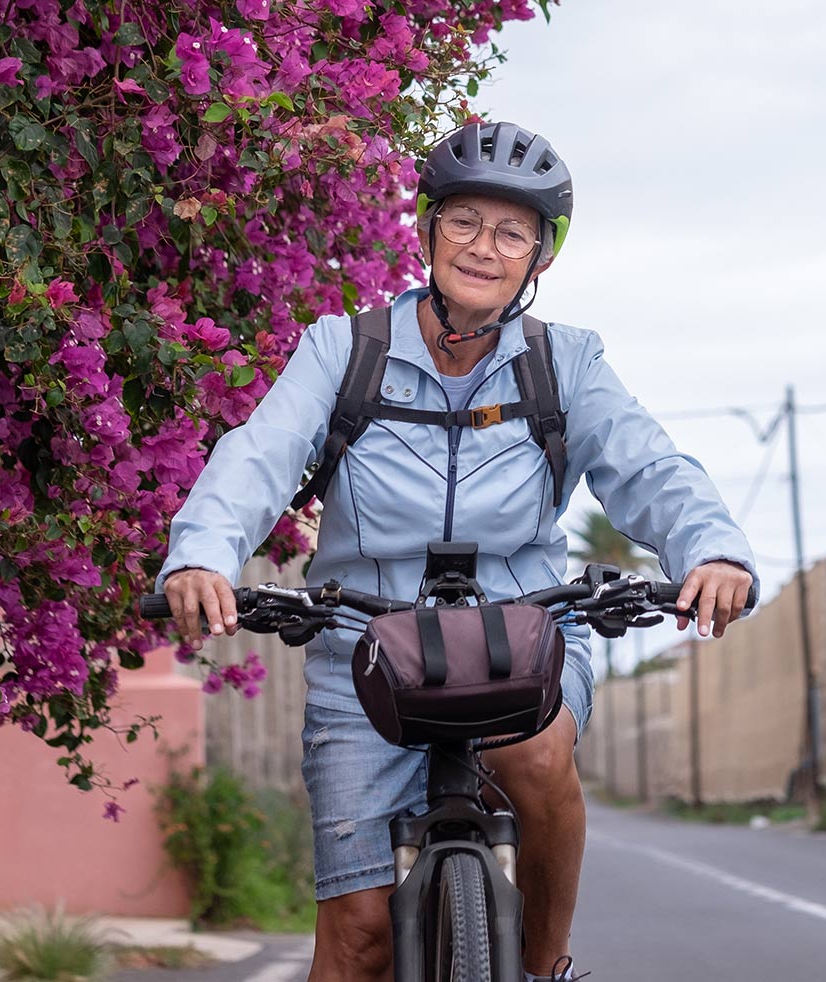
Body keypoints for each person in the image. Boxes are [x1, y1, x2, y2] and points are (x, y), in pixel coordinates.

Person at [156, 121, 757, 982]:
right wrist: (203, 555)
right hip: (366, 649)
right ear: (427, 228)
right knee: (357, 940)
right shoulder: (344, 349)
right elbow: (259, 454)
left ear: (540, 258)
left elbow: (653, 468)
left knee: (535, 752)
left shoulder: (566, 363)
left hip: (521, 635)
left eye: (513, 231)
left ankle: (546, 967)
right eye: (465, 220)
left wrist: (715, 552)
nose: (485, 246)